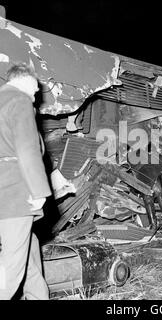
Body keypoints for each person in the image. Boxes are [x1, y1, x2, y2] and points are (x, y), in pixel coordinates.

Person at [0, 63, 52, 299]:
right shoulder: (19, 100)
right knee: (11, 266)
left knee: (27, 252)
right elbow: (27, 148)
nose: (36, 95)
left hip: (3, 194)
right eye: (35, 89)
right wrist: (39, 191)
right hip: (15, 193)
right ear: (23, 80)